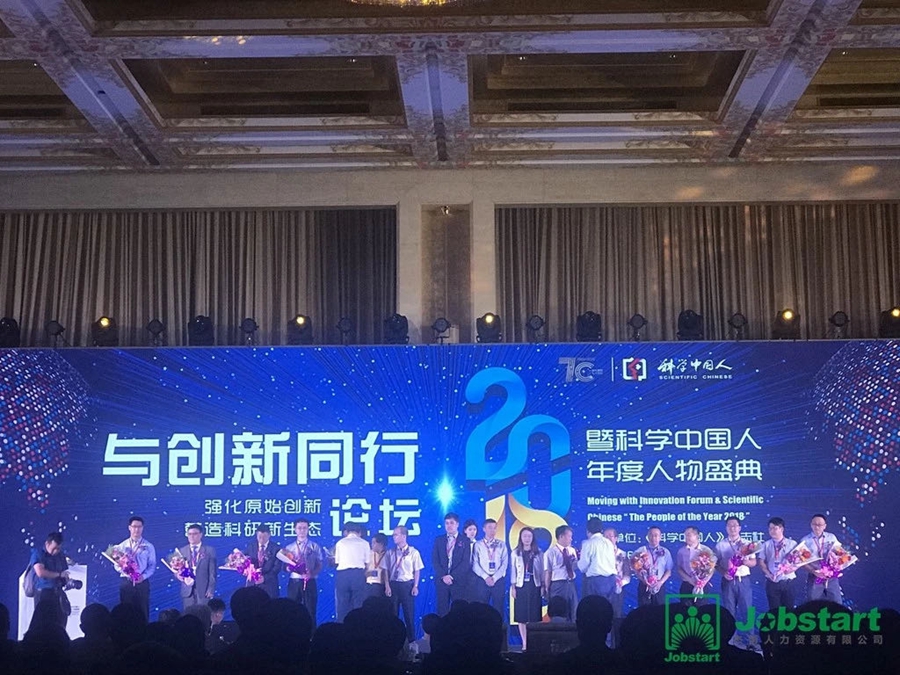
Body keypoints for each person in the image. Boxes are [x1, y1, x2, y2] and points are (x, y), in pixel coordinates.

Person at [277, 518, 324, 626]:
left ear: (308, 529)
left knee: (311, 610)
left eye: (304, 528)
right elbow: (284, 567)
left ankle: (312, 634)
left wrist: (311, 574)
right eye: (299, 528)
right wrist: (289, 568)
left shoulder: (314, 546)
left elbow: (320, 564)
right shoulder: (289, 547)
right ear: (295, 530)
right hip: (294, 581)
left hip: (310, 581)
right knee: (292, 609)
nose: (302, 530)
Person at [714, 516, 756, 626]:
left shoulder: (748, 544)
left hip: (743, 580)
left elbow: (754, 562)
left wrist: (746, 562)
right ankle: (731, 636)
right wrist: (723, 573)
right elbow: (715, 564)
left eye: (735, 525)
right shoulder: (720, 545)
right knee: (729, 612)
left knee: (747, 610)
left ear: (739, 528)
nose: (732, 528)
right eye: (729, 526)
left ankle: (750, 636)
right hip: (727, 581)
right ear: (726, 528)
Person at [386, 525, 424, 642]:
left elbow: (417, 570)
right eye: (393, 535)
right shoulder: (390, 552)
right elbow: (385, 570)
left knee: (409, 615)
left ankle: (412, 641)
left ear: (403, 536)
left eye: (396, 534)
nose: (393, 537)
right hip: (393, 585)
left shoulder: (413, 552)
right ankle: (393, 640)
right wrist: (387, 586)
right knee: (393, 615)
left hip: (407, 585)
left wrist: (415, 586)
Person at [115, 516, 156, 621]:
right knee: (125, 612)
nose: (136, 529)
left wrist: (143, 576)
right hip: (127, 582)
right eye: (134, 527)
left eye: (139, 527)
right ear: (129, 528)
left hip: (142, 582)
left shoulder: (149, 546)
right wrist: (125, 570)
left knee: (143, 611)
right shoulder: (122, 546)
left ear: (142, 528)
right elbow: (116, 564)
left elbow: (152, 565)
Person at [510, 526, 543, 651]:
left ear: (533, 538)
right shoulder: (515, 552)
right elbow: (513, 570)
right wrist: (513, 587)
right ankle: (524, 642)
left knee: (535, 615)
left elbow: (542, 570)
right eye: (524, 536)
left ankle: (534, 642)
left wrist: (543, 586)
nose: (527, 539)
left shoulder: (538, 552)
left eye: (529, 536)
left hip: (535, 585)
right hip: (521, 586)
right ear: (521, 537)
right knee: (521, 616)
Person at [431, 512, 469, 615]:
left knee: (459, 612)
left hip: (458, 581)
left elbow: (465, 562)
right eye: (447, 523)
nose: (449, 526)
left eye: (452, 523)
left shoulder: (465, 540)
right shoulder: (439, 540)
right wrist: (444, 576)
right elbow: (435, 560)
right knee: (442, 611)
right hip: (442, 581)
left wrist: (452, 576)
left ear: (457, 524)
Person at [801, 513, 843, 603]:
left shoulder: (831, 537)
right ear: (811, 525)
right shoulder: (805, 541)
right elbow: (802, 562)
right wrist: (813, 571)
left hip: (831, 577)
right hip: (815, 576)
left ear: (825, 526)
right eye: (814, 524)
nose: (817, 527)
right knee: (813, 604)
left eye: (819, 525)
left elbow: (840, 553)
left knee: (837, 603)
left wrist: (837, 564)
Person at [332, 521, 370, 622]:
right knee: (359, 603)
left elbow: (337, 561)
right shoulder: (365, 543)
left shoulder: (340, 543)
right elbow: (367, 562)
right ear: (359, 531)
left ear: (347, 531)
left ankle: (342, 627)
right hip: (358, 575)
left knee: (342, 604)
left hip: (343, 575)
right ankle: (358, 627)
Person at [758, 516, 799, 610]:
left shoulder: (792, 544)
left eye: (775, 528)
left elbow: (799, 561)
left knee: (789, 611)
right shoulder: (766, 544)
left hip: (788, 581)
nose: (772, 531)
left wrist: (793, 569)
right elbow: (761, 561)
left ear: (782, 529)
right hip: (772, 582)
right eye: (770, 528)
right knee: (774, 611)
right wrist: (768, 573)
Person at [30, 532, 69, 627]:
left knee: (61, 620)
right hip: (43, 592)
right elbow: (40, 572)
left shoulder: (60, 555)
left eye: (58, 548)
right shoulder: (39, 553)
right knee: (43, 621)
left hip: (58, 591)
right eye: (54, 548)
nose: (56, 551)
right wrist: (59, 574)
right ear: (47, 543)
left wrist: (66, 579)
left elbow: (64, 572)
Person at [175, 523, 216, 610]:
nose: (192, 536)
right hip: (187, 590)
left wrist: (210, 589)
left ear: (201, 535)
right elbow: (176, 569)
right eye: (189, 534)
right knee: (188, 614)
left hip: (203, 590)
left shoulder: (209, 550)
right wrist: (177, 575)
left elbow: (212, 572)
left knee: (203, 614)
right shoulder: (182, 551)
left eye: (195, 534)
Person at [543, 524, 578, 623]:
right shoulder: (550, 552)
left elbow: (575, 567)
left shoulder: (572, 550)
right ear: (561, 536)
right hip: (558, 584)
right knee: (559, 611)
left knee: (573, 609)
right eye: (569, 536)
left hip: (571, 583)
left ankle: (573, 630)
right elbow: (548, 571)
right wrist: (547, 587)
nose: (571, 539)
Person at [577, 517, 617, 603]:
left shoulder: (588, 543)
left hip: (596, 581)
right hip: (611, 581)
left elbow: (583, 566)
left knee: (594, 607)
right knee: (607, 607)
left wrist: (575, 564)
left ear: (588, 530)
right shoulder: (609, 543)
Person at [473, 518, 509, 613]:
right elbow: (475, 563)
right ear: (484, 529)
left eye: (494, 528)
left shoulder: (502, 544)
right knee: (481, 608)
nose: (492, 530)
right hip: (482, 580)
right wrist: (486, 577)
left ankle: (499, 623)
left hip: (498, 580)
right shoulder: (478, 545)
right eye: (489, 527)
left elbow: (504, 563)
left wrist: (495, 578)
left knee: (499, 608)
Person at [631, 526, 673, 606]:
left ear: (660, 537)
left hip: (659, 585)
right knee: (644, 611)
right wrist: (644, 581)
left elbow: (668, 570)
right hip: (644, 585)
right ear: (647, 536)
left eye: (656, 535)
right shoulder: (641, 551)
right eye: (651, 535)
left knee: (660, 610)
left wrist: (660, 582)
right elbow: (636, 569)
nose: (653, 538)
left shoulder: (665, 552)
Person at [675, 526, 716, 605]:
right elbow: (679, 568)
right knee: (685, 610)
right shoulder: (681, 551)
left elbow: (712, 569)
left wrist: (703, 582)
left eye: (689, 535)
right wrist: (691, 581)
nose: (686, 538)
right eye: (685, 535)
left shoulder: (706, 550)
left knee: (702, 610)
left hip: (702, 586)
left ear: (697, 536)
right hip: (687, 584)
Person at [604, 526, 630, 648]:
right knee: (603, 616)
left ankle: (616, 646)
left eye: (610, 536)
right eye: (605, 537)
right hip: (603, 589)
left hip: (618, 590)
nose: (608, 539)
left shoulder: (622, 554)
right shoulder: (600, 554)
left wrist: (621, 582)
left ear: (616, 538)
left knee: (616, 616)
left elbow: (627, 574)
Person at [245, 524, 280, 598]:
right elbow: (245, 561)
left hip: (269, 586)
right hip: (253, 585)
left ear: (269, 535)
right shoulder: (251, 546)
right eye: (259, 537)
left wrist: (264, 578)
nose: (262, 539)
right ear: (256, 535)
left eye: (264, 537)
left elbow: (277, 568)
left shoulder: (276, 548)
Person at [460, 518, 480, 602]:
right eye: (470, 529)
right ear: (465, 530)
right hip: (462, 576)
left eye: (474, 529)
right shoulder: (460, 544)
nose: (472, 532)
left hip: (475, 576)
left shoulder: (479, 544)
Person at [366, 533, 390, 598]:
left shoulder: (388, 555)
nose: (372, 545)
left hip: (382, 585)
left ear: (381, 544)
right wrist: (368, 573)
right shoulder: (369, 553)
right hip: (369, 585)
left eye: (374, 543)